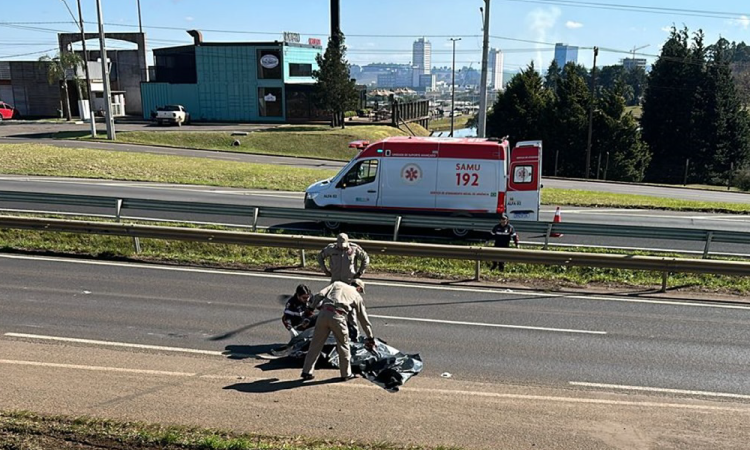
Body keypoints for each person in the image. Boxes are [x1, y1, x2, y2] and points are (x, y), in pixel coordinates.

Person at [300, 279, 376, 382]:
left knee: (315, 344)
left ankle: (307, 372)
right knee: (343, 345)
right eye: (360, 290)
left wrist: (311, 308)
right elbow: (363, 319)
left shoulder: (337, 284)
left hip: (323, 314)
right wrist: (370, 337)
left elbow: (319, 295)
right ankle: (346, 374)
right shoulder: (357, 296)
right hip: (338, 317)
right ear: (359, 288)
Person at [317, 233, 370, 340]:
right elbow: (319, 257)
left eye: (344, 245)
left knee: (351, 311)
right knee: (331, 307)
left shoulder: (354, 249)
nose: (342, 247)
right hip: (335, 283)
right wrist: (325, 270)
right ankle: (331, 331)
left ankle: (354, 334)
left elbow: (365, 258)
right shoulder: (331, 249)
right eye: (340, 244)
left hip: (348, 283)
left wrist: (360, 272)